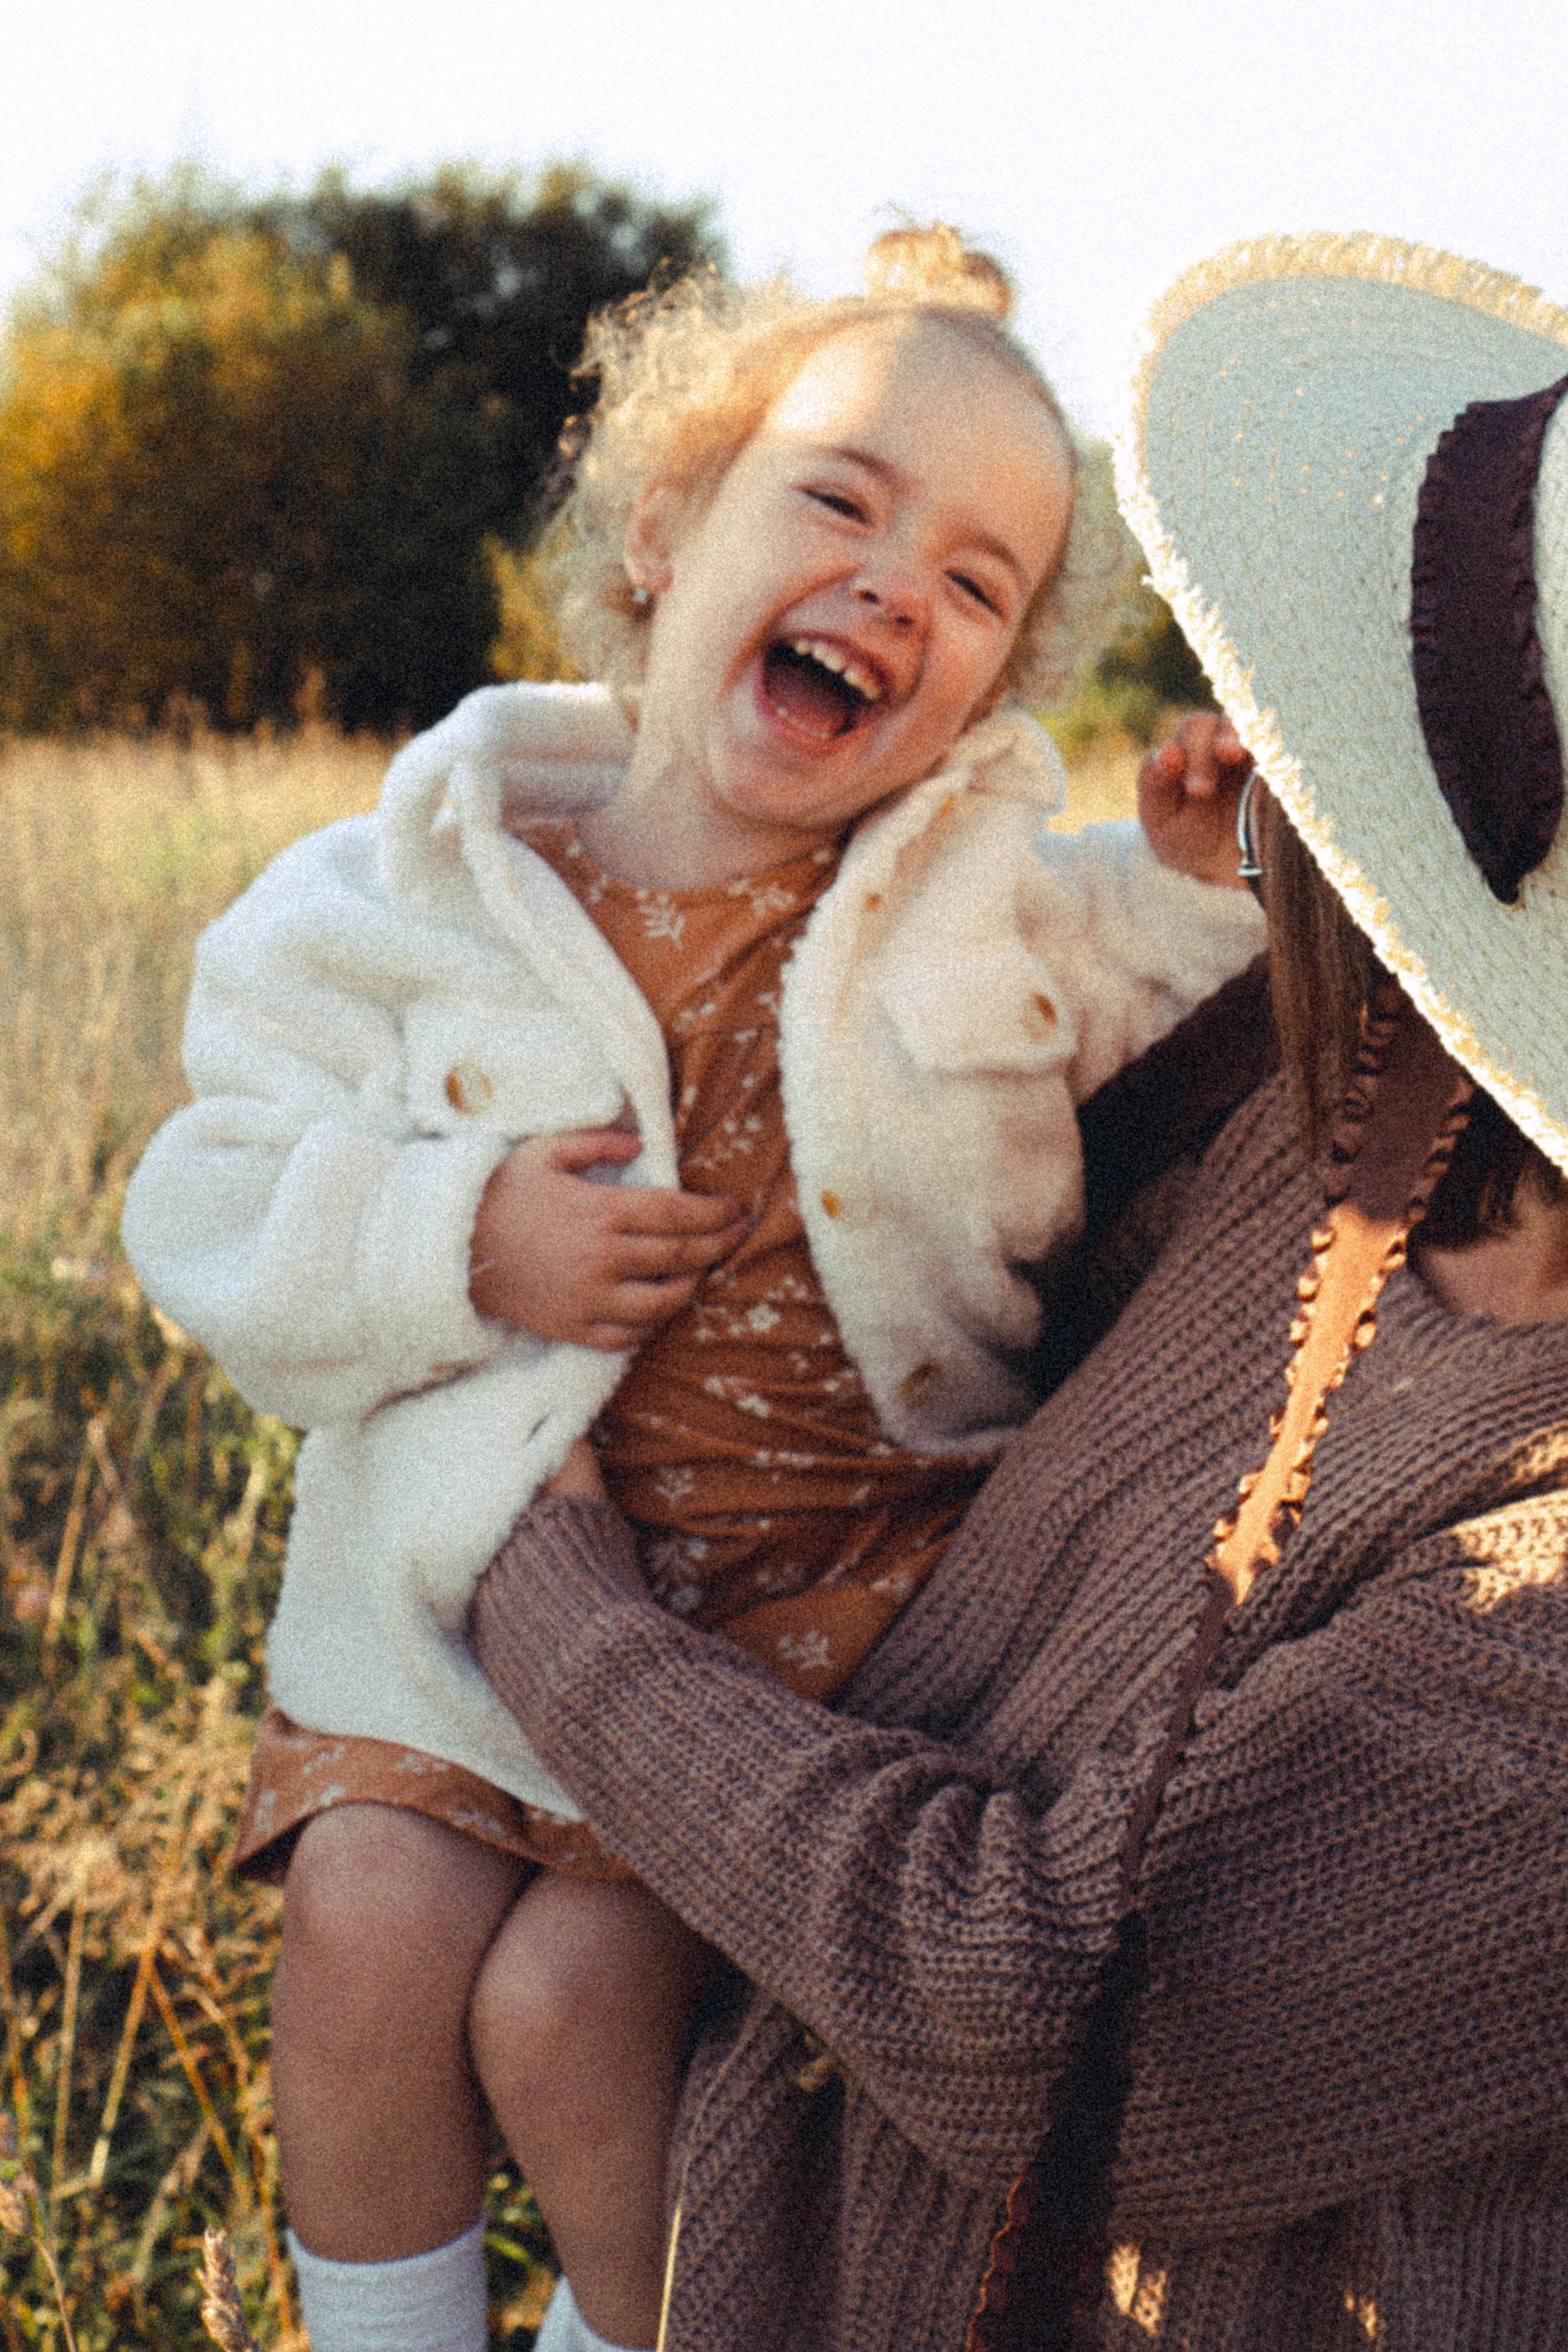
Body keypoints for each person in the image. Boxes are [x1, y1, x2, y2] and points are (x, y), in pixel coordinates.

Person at [121, 227, 1264, 2352]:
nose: (899, 582)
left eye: (981, 583)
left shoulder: (973, 899)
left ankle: (666, 2324)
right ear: (663, 537)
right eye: (838, 499)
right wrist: (457, 1235)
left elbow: (1144, 981)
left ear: (987, 702)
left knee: (574, 2006)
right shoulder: (409, 894)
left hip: (815, 1625)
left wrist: (1205, 886)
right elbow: (209, 1201)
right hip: (469, 1593)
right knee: (371, 1928)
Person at [469, 230, 1568, 2352]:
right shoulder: (1345, 1103)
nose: (1263, 749)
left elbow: (1030, 2015)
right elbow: (985, 1326)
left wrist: (545, 1591)